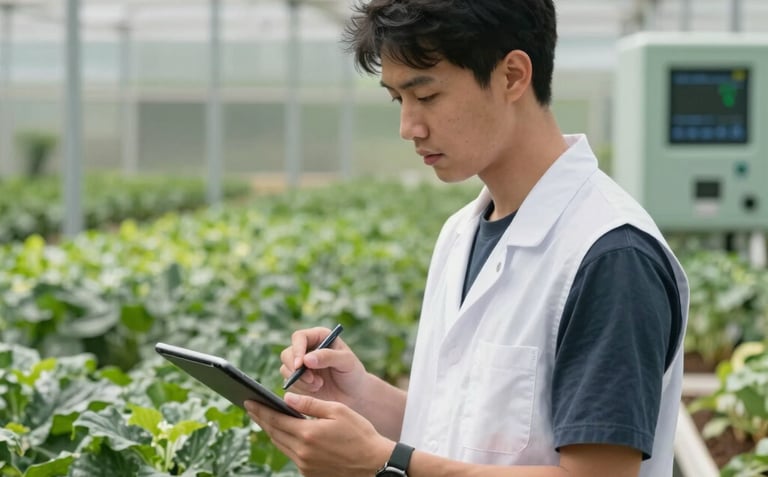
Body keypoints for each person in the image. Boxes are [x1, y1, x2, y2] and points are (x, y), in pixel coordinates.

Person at [245, 1, 690, 476]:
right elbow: (469, 431)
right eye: (399, 99)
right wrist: (362, 394)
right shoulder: (462, 232)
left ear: (513, 76)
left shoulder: (610, 256)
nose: (408, 128)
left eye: (427, 96)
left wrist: (385, 463)